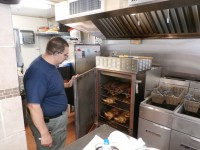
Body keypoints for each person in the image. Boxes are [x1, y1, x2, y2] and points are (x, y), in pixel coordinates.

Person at [24, 36, 78, 150]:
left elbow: (49, 85)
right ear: (56, 53)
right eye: (65, 54)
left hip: (56, 120)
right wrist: (44, 133)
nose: (66, 57)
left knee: (58, 146)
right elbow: (33, 106)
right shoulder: (37, 71)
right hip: (49, 122)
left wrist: (68, 84)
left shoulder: (50, 64)